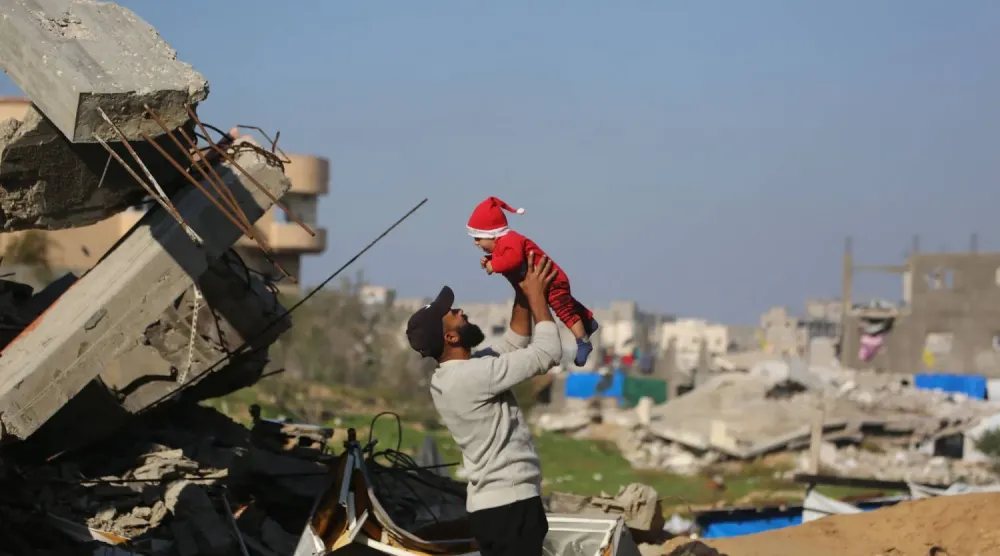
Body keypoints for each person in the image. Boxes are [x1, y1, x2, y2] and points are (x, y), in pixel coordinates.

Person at [404, 252, 562, 556]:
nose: (460, 311)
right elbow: (548, 352)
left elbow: (515, 341)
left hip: (491, 509)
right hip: (511, 506)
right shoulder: (473, 376)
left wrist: (518, 285)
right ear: (451, 337)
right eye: (452, 314)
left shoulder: (454, 375)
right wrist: (537, 295)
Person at [466, 195, 599, 367]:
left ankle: (583, 341)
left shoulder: (510, 240)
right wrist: (491, 259)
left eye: (478, 238)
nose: (476, 243)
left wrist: (494, 265)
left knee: (564, 310)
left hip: (551, 280)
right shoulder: (504, 243)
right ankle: (588, 321)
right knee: (567, 303)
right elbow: (508, 257)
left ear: (492, 234)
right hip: (547, 279)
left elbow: (513, 259)